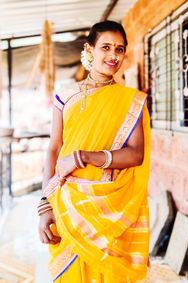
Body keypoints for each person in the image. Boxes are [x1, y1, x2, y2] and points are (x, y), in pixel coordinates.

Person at [38, 20, 151, 283]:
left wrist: (83, 157)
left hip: (110, 207)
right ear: (90, 49)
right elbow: (53, 149)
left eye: (120, 49)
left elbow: (136, 154)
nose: (113, 55)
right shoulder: (65, 96)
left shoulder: (131, 100)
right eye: (106, 47)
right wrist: (45, 206)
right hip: (68, 205)